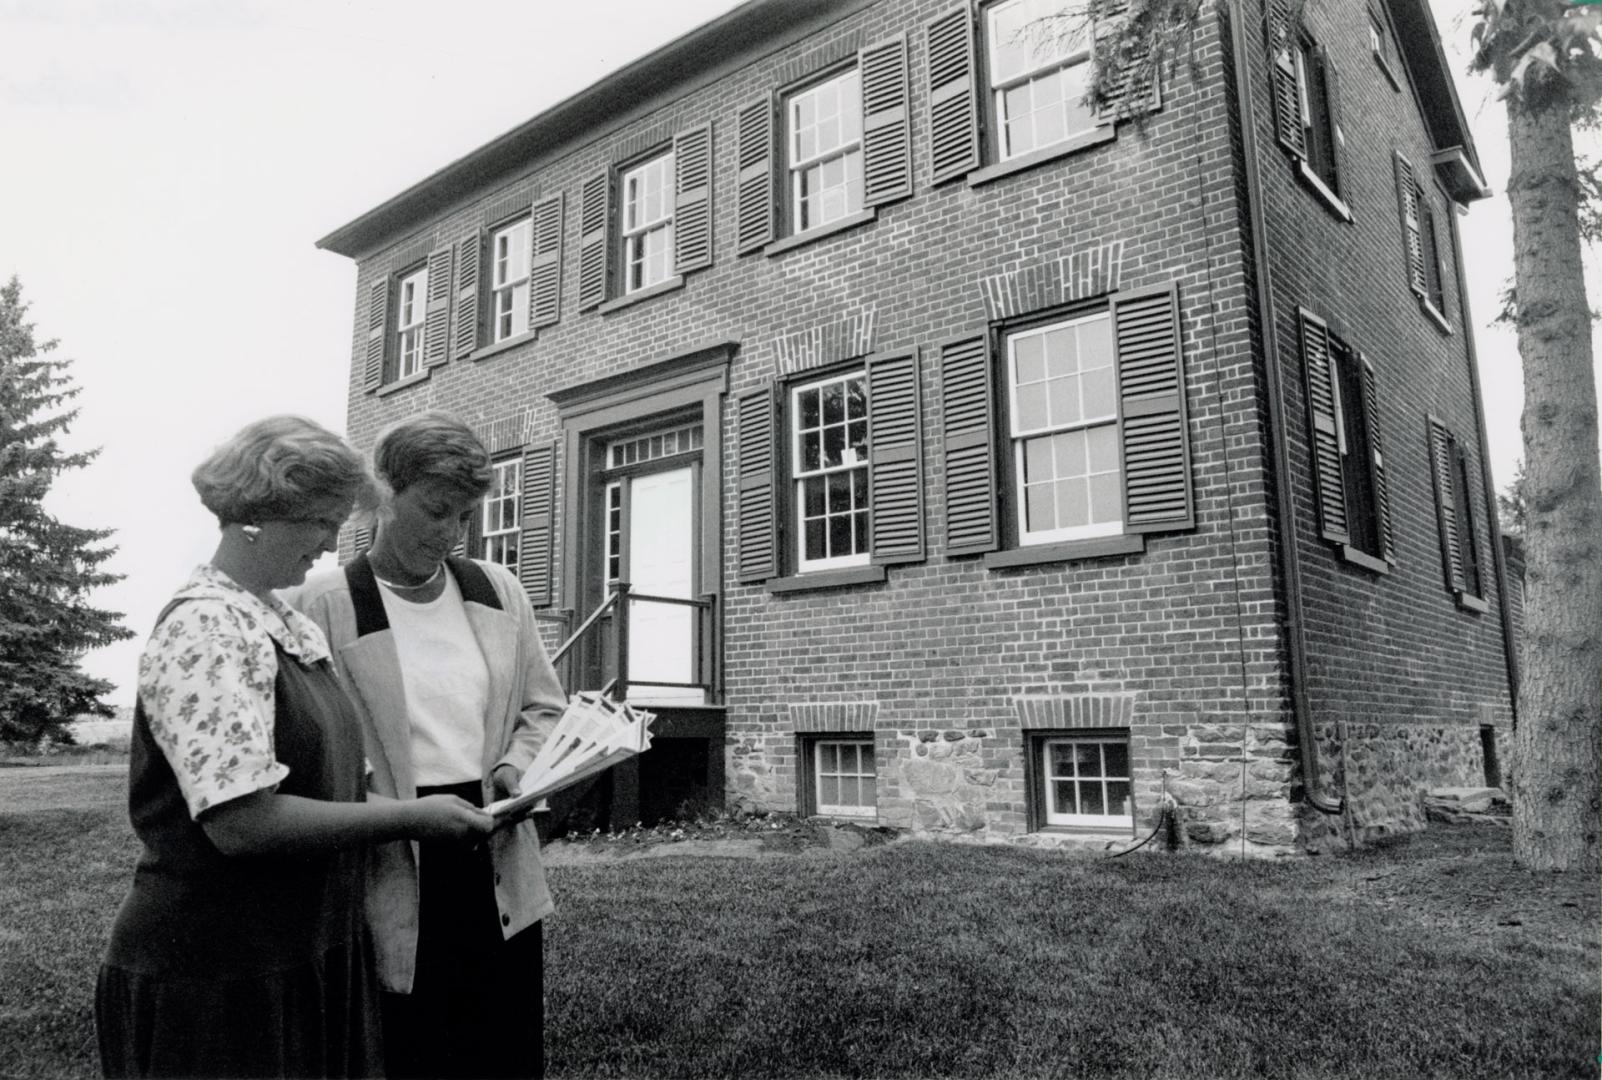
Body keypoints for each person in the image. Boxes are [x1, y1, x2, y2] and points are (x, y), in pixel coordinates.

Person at [96, 415, 494, 1080]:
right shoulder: (207, 627)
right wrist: (417, 817)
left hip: (308, 953)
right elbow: (243, 821)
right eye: (319, 521)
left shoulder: (279, 621)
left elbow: (336, 784)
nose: (330, 542)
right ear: (259, 512)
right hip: (218, 968)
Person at [290, 411, 565, 1080]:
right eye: (437, 509)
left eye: (466, 517)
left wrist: (515, 772)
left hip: (497, 849)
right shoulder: (322, 602)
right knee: (407, 1048)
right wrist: (390, 810)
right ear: (386, 491)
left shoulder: (498, 591)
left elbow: (543, 706)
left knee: (501, 1050)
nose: (451, 533)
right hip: (389, 858)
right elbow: (308, 741)